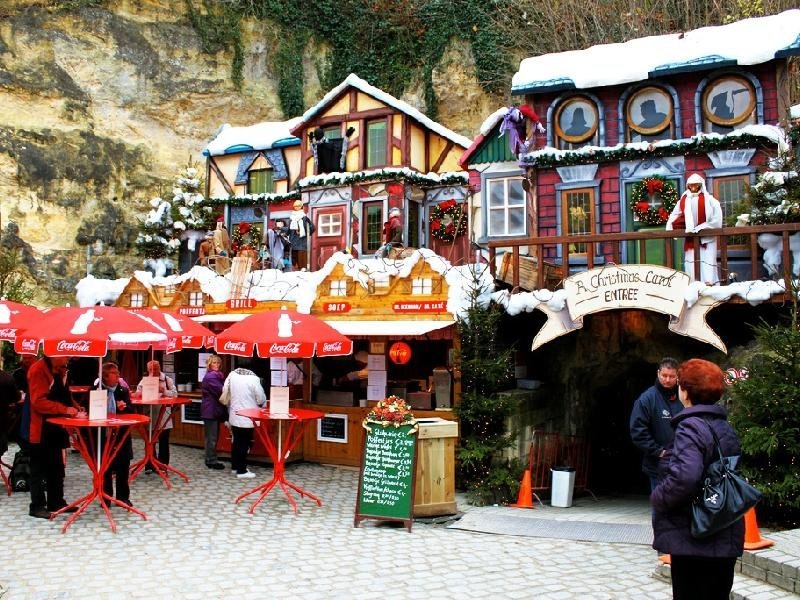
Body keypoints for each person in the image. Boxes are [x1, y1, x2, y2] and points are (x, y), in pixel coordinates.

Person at [651, 358, 744, 600]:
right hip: (724, 527)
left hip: (694, 534)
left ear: (686, 390)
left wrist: (659, 497)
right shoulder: (724, 426)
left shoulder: (690, 427)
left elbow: (686, 476)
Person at [27, 356, 80, 518]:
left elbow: (65, 395)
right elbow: (38, 402)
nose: (67, 362)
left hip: (57, 427)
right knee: (39, 468)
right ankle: (37, 506)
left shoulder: (60, 369)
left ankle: (56, 501)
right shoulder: (38, 370)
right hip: (41, 428)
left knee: (57, 467)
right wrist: (64, 409)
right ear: (53, 354)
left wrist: (76, 407)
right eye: (65, 358)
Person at [629, 357, 682, 491]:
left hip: (683, 463)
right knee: (661, 507)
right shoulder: (647, 398)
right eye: (664, 375)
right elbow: (637, 430)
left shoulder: (684, 396)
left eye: (672, 376)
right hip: (658, 465)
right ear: (658, 373)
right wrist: (658, 451)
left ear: (678, 377)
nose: (668, 380)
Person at [666, 173, 723, 285]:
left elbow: (717, 218)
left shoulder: (709, 199)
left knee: (708, 263)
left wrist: (704, 227)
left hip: (707, 238)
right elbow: (675, 214)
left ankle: (709, 285)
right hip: (691, 239)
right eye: (690, 185)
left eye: (695, 185)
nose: (693, 187)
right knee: (691, 262)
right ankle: (693, 285)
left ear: (699, 185)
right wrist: (670, 227)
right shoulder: (683, 200)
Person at [95, 361, 133, 507]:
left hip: (121, 434)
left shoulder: (122, 390)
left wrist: (124, 408)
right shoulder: (96, 390)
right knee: (106, 466)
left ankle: (123, 497)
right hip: (103, 434)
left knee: (123, 465)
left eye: (118, 373)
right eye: (114, 373)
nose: (118, 375)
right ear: (105, 376)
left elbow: (132, 410)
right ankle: (106, 496)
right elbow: (89, 409)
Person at [221, 364, 266, 478]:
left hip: (234, 414)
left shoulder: (232, 375)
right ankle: (242, 471)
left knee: (236, 442)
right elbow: (260, 397)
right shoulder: (254, 379)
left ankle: (235, 467)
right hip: (248, 416)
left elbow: (225, 390)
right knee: (245, 442)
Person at [135, 360, 177, 471]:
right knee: (149, 441)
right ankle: (150, 464)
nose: (153, 371)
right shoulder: (144, 381)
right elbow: (138, 393)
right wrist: (140, 393)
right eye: (150, 369)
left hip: (164, 416)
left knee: (164, 441)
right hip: (149, 415)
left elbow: (175, 395)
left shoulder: (167, 380)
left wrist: (164, 391)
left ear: (159, 368)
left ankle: (163, 466)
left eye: (155, 369)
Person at [200, 354, 226, 470]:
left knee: (212, 437)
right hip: (211, 410)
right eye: (214, 363)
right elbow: (221, 391)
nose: (217, 365)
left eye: (218, 363)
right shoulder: (211, 377)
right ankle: (211, 461)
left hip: (212, 410)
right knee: (212, 438)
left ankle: (211, 458)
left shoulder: (216, 376)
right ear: (209, 364)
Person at [288, 200, 315, 270]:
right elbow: (289, 229)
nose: (296, 207)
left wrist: (305, 232)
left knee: (302, 266)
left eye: (298, 206)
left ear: (301, 207)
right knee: (296, 264)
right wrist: (281, 229)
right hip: (294, 243)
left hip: (301, 244)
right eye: (295, 206)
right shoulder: (292, 218)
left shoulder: (304, 217)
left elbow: (312, 227)